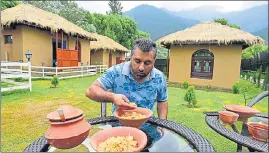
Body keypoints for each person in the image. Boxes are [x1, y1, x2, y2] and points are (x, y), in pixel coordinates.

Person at [85, 38, 168, 119]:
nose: (141, 68)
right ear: (130, 57)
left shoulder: (159, 77)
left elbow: (162, 100)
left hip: (148, 125)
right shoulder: (116, 72)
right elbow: (90, 91)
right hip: (119, 125)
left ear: (154, 61)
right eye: (137, 61)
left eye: (147, 63)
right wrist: (113, 97)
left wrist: (163, 124)